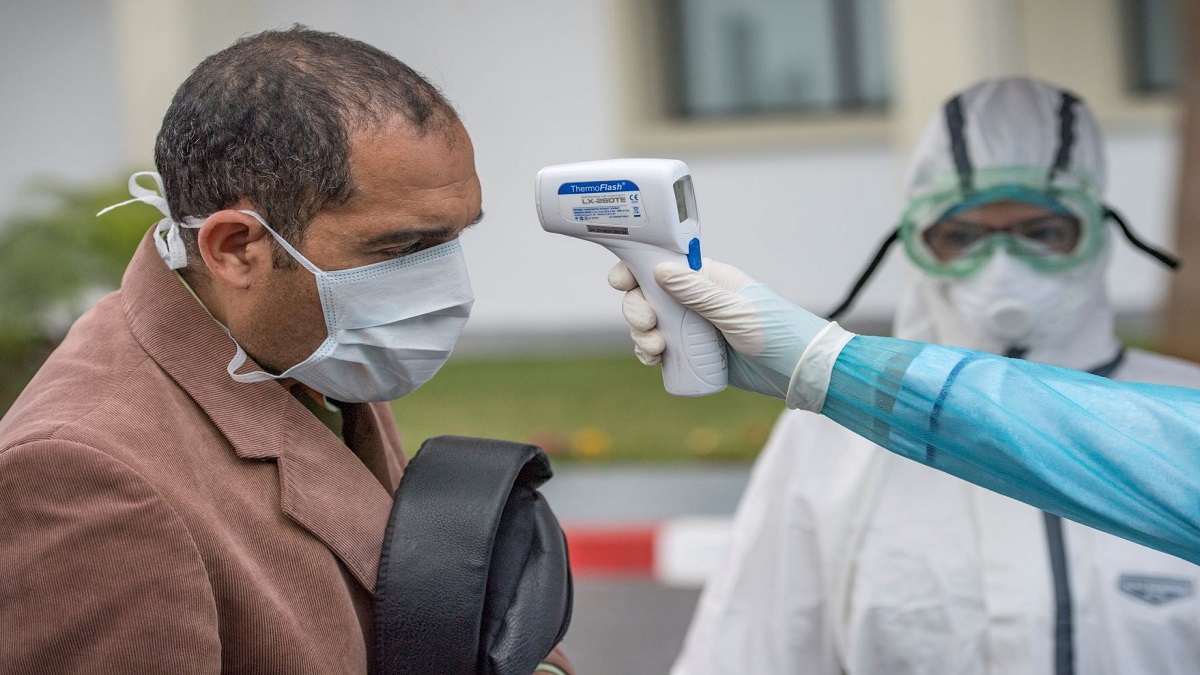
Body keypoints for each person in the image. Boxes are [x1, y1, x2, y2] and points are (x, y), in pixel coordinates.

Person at [0, 27, 571, 674]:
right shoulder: (84, 475)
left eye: (452, 241)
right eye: (401, 249)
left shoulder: (300, 345)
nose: (444, 284)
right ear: (237, 247)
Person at [666, 78, 1200, 674]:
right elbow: (751, 651)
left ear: (1098, 235)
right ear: (916, 241)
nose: (1002, 265)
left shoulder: (1182, 412)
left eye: (1045, 232)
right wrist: (834, 379)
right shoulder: (834, 434)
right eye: (961, 235)